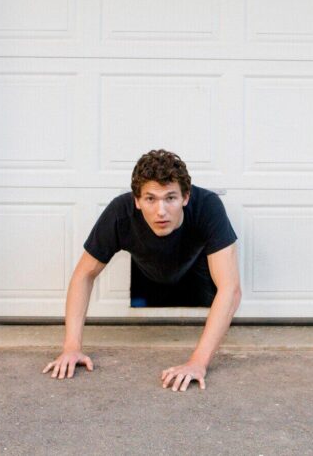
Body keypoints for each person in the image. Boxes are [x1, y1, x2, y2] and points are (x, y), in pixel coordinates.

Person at [43, 150, 241, 391]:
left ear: (186, 197)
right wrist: (71, 347)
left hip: (195, 272)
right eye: (150, 199)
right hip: (146, 273)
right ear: (136, 200)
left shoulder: (207, 206)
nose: (161, 211)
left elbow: (230, 288)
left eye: (171, 198)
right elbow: (84, 274)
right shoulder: (120, 213)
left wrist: (197, 363)